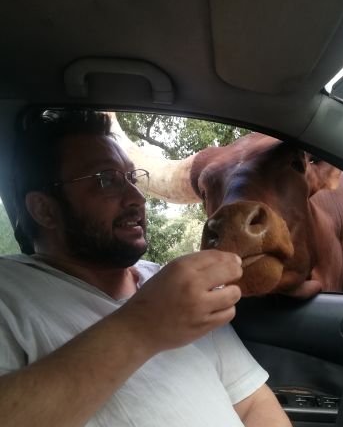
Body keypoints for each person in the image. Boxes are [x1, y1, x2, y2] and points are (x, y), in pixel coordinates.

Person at [0, 110, 292, 426]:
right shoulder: (8, 291)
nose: (137, 197)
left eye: (132, 178)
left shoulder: (172, 283)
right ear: (44, 210)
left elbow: (252, 402)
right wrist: (141, 326)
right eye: (106, 180)